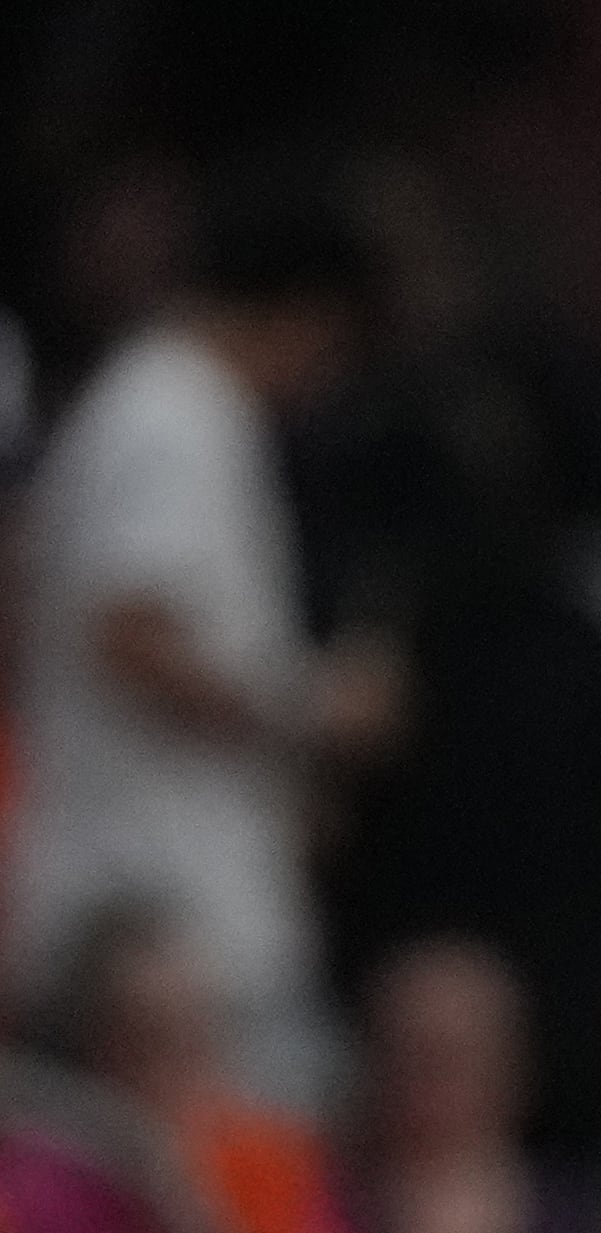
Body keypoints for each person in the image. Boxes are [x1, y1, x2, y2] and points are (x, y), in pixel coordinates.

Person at [8, 168, 397, 1113]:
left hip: (172, 902)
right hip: (159, 916)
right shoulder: (171, 414)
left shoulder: (175, 406)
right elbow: (128, 630)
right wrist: (307, 708)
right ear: (311, 316)